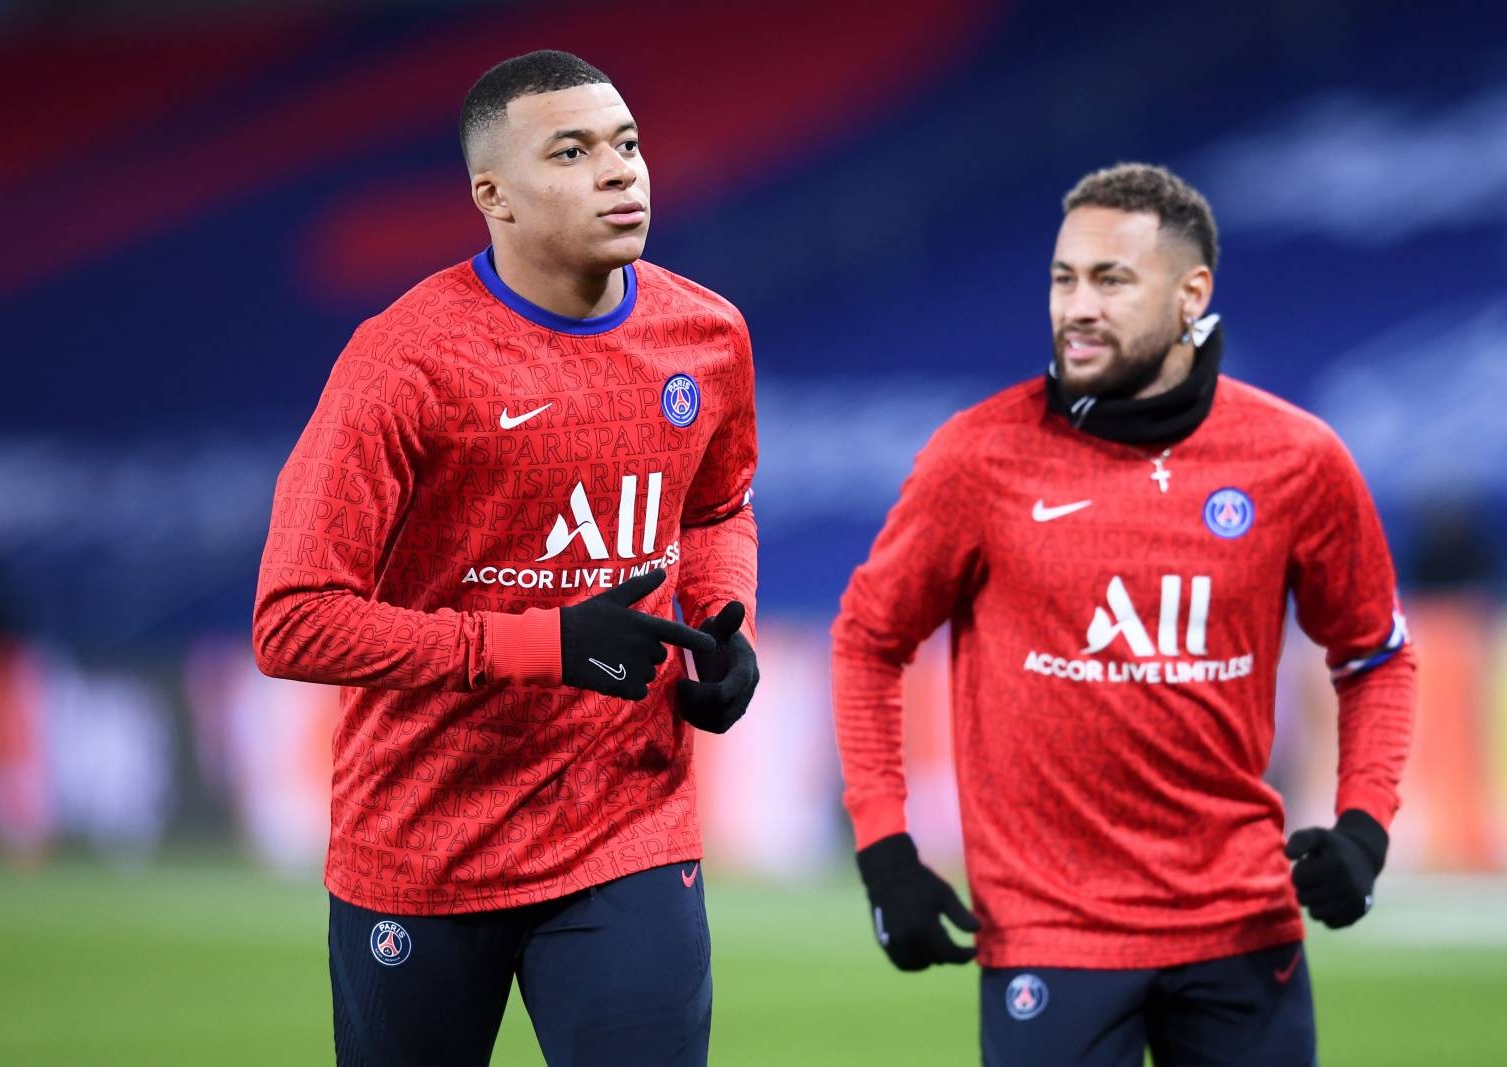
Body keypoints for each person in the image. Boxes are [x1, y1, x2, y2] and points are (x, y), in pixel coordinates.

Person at [830, 162, 1414, 1066]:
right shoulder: (978, 456)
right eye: (1063, 279)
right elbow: (869, 640)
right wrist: (884, 849)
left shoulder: (1298, 459)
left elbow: (1374, 655)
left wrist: (1365, 826)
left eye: (1111, 280)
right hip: (1050, 932)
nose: (1077, 308)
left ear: (1191, 296)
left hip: (1242, 926)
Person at [252, 49, 759, 1067]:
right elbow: (293, 619)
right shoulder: (405, 360)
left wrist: (720, 618)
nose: (618, 171)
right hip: (424, 842)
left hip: (626, 823)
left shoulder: (706, 334)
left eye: (626, 144)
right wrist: (539, 644)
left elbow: (716, 505)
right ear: (493, 196)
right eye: (571, 152)